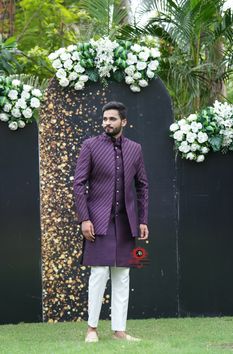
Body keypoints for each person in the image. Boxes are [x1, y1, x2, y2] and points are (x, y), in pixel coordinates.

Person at [73, 101, 149, 342]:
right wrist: (84, 218)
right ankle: (92, 329)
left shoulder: (135, 149)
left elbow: (142, 186)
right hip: (98, 222)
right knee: (98, 274)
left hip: (126, 223)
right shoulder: (91, 146)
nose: (107, 123)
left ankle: (119, 330)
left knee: (122, 275)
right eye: (104, 119)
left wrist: (143, 219)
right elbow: (78, 184)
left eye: (112, 119)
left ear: (123, 122)